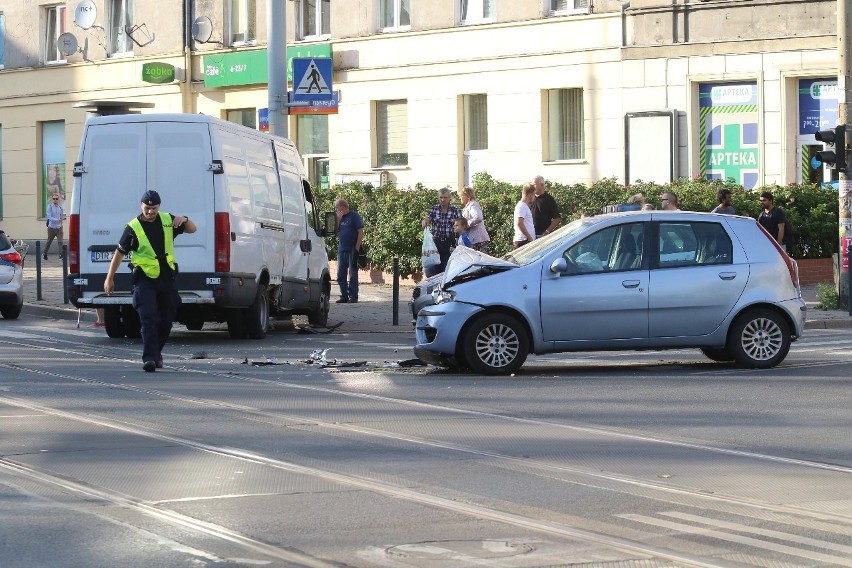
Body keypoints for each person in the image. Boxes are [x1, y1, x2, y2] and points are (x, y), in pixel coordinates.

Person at [104, 190, 196, 372]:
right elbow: (119, 253)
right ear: (141, 206)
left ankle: (156, 353)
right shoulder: (133, 227)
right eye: (147, 208)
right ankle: (149, 359)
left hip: (166, 277)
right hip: (144, 279)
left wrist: (184, 219)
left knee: (167, 318)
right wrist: (109, 278)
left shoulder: (167, 220)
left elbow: (192, 229)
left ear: (159, 206)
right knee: (148, 317)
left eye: (153, 208)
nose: (150, 212)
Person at [422, 187, 461, 277]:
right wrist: (425, 221)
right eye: (441, 197)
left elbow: (461, 224)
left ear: (449, 198)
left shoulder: (455, 210)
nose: (443, 200)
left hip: (449, 242)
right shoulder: (434, 209)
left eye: (445, 197)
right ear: (438, 198)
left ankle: (444, 288)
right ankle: (435, 289)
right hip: (436, 243)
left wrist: (456, 222)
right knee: (433, 270)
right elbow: (427, 218)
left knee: (447, 270)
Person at [334, 198, 364, 304]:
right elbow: (335, 230)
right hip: (342, 248)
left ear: (342, 206)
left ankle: (353, 296)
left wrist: (357, 248)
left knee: (352, 273)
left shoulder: (354, 215)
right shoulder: (339, 217)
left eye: (337, 207)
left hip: (352, 248)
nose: (336, 210)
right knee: (340, 274)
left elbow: (360, 231)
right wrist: (338, 218)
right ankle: (344, 295)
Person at [457, 186, 490, 253]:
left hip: (478, 239)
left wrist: (466, 225)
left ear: (467, 196)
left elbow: (478, 217)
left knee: (479, 260)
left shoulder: (473, 205)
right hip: (475, 238)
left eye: (461, 196)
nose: (460, 198)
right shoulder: (469, 206)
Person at [513, 183, 537, 248]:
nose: (535, 197)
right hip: (523, 241)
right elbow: (519, 223)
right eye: (534, 194)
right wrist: (529, 237)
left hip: (525, 240)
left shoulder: (524, 206)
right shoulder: (522, 206)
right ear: (530, 195)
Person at [44, 193, 65, 260]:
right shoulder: (50, 206)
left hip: (59, 228)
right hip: (52, 228)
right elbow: (49, 217)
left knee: (60, 242)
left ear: (58, 199)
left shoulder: (60, 207)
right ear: (52, 199)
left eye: (56, 199)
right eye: (54, 199)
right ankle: (45, 253)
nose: (55, 200)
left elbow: (61, 216)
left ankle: (61, 255)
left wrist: (61, 221)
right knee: (49, 241)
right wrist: (57, 220)